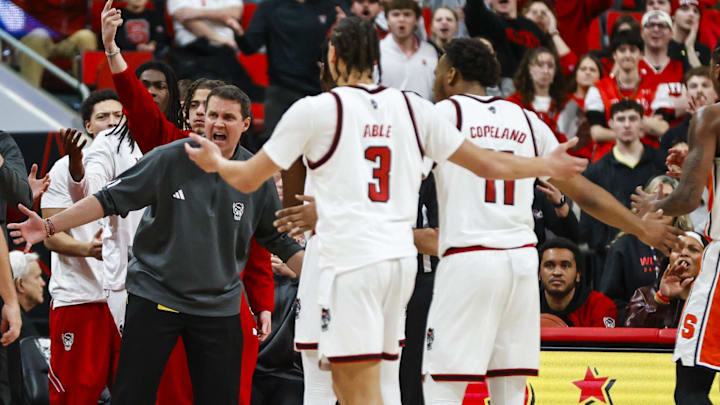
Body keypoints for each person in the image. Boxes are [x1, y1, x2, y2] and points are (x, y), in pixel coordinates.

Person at [184, 16, 592, 405]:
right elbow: (487, 162)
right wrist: (543, 165)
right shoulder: (415, 108)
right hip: (399, 265)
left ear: (333, 56)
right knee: (382, 381)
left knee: (339, 381)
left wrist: (217, 164)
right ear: (376, 61)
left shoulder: (316, 110)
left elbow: (250, 177)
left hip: (349, 260)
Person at [421, 38, 678, 405]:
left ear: (451, 75)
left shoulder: (443, 114)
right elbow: (584, 192)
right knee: (509, 389)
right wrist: (641, 227)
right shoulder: (525, 120)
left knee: (441, 384)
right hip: (522, 265)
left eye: (436, 72)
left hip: (469, 258)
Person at [630, 46, 720, 405]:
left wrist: (656, 203)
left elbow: (685, 200)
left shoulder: (710, 118)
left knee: (691, 389)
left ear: (717, 71)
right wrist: (704, 163)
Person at [41, 90, 122, 405]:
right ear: (88, 125)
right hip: (80, 300)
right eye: (103, 117)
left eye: (118, 116)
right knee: (76, 398)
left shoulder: (141, 165)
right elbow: (51, 235)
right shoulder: (64, 168)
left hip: (129, 302)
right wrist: (89, 249)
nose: (111, 123)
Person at [580, 99, 666, 287]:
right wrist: (606, 245)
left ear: (642, 123)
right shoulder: (595, 171)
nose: (627, 124)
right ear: (610, 124)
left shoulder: (661, 163)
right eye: (620, 119)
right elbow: (587, 223)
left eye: (633, 118)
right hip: (610, 259)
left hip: (657, 254)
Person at [234, 0, 348, 141]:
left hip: (320, 91)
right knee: (274, 150)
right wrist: (238, 33)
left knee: (320, 149)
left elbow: (344, 49)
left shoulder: (332, 5)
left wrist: (345, 29)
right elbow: (250, 46)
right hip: (281, 91)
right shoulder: (270, 6)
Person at [599, 175, 692, 322]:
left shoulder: (690, 244)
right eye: (655, 199)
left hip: (682, 327)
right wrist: (636, 317)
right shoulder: (624, 246)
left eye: (668, 199)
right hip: (635, 330)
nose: (661, 206)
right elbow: (608, 301)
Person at [584, 31, 672, 161]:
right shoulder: (598, 89)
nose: (627, 55)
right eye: (622, 50)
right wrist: (641, 129)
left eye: (632, 50)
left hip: (647, 159)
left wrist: (618, 129)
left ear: (641, 55)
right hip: (608, 160)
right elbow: (596, 133)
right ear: (614, 55)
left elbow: (663, 128)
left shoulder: (657, 86)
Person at [167, 0, 263, 100]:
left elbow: (235, 13)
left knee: (248, 93)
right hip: (192, 53)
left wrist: (196, 13)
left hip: (225, 52)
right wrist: (218, 38)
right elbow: (183, 16)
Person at [624, 231, 707, 328]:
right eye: (677, 249)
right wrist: (661, 299)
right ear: (669, 258)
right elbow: (632, 334)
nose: (684, 253)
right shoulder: (645, 295)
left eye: (693, 249)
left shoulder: (713, 299)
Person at [539, 237, 617, 327]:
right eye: (549, 265)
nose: (557, 272)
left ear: (578, 275)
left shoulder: (600, 306)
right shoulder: (525, 305)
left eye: (565, 266)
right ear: (539, 274)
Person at [18, 1, 97, 87]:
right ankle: (30, 93)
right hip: (41, 36)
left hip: (70, 38)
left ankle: (90, 93)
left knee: (86, 37)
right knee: (36, 37)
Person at [380, 0, 439, 100]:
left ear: (416, 20)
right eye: (396, 14)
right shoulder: (378, 51)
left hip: (423, 113)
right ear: (387, 20)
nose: (401, 19)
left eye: (407, 14)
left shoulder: (430, 51)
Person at [507, 47, 566, 142]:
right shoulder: (512, 103)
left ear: (555, 71)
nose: (545, 71)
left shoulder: (565, 105)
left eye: (550, 66)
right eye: (540, 65)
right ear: (529, 68)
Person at [556, 53, 604, 159]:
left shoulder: (605, 103)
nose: (587, 72)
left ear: (600, 76)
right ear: (576, 74)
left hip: (596, 162)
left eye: (592, 70)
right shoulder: (561, 101)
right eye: (583, 69)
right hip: (564, 160)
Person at [521, 0, 576, 76]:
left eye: (544, 13)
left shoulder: (553, 47)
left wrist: (553, 32)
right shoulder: (513, 41)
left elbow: (571, 68)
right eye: (534, 12)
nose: (539, 15)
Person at [670, 0, 710, 72]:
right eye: (685, 9)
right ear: (673, 15)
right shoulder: (661, 45)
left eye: (696, 11)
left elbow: (703, 79)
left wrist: (690, 47)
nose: (691, 14)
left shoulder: (704, 50)